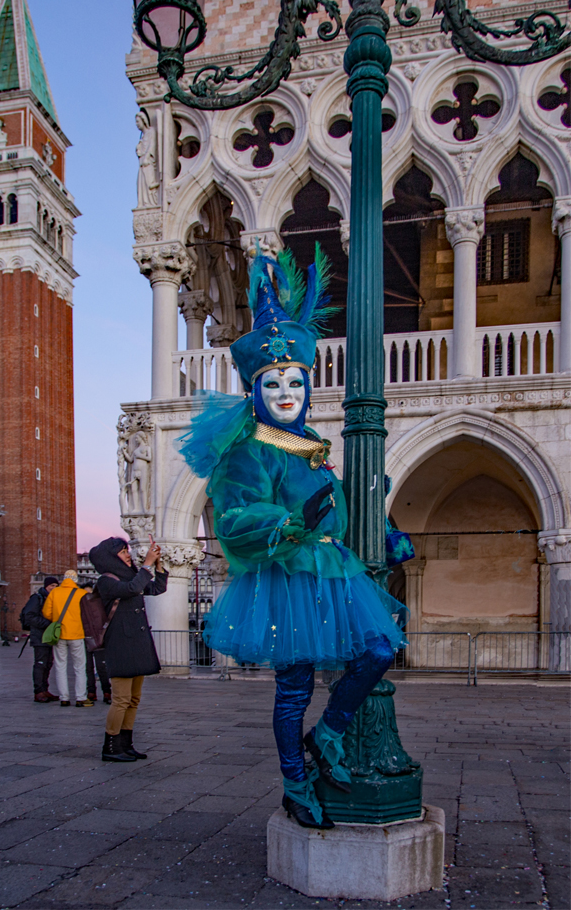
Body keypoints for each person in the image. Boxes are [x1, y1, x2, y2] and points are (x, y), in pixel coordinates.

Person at [178, 247, 408, 829]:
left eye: (295, 381)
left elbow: (337, 509)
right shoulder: (247, 451)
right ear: (257, 391)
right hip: (285, 576)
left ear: (308, 385)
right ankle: (293, 782)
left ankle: (327, 734)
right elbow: (233, 515)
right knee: (293, 687)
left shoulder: (315, 449)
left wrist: (383, 529)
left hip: (333, 574)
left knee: (381, 650)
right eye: (274, 383)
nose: (286, 393)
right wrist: (289, 521)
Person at [89, 537, 167, 763]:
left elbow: (156, 588)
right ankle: (111, 746)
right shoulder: (106, 580)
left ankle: (126, 744)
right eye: (123, 552)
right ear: (110, 558)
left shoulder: (132, 576)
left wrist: (158, 565)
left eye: (127, 551)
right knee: (121, 699)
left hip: (136, 641)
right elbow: (133, 589)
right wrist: (146, 565)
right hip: (120, 643)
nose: (127, 555)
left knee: (134, 698)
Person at [42, 570, 91, 707]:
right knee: (80, 667)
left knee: (60, 665)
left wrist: (57, 618)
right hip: (77, 633)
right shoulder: (82, 594)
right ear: (75, 580)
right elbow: (88, 615)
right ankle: (81, 697)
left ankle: (64, 697)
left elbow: (46, 613)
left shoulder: (54, 592)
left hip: (59, 634)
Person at [20, 576, 60, 702]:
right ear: (45, 586)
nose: (53, 588)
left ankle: (45, 689)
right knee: (40, 664)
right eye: (51, 586)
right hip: (40, 636)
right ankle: (38, 691)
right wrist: (48, 624)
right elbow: (29, 616)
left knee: (48, 663)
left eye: (55, 586)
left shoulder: (53, 599)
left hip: (50, 637)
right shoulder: (37, 598)